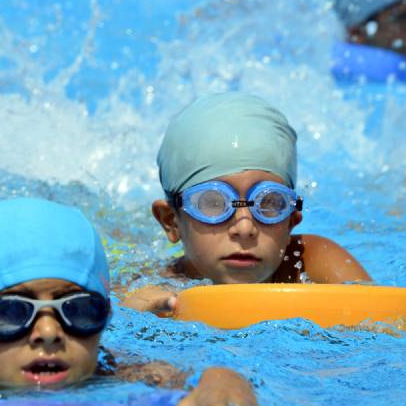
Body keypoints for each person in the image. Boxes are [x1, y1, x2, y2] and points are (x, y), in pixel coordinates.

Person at [0, 198, 265, 406]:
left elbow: (198, 380)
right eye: (9, 313)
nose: (48, 333)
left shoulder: (120, 371)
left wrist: (224, 379)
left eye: (79, 310)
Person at [121, 93, 371, 314]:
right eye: (214, 202)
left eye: (268, 203)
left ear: (290, 222)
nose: (244, 228)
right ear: (171, 221)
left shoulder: (308, 261)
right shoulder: (149, 295)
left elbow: (386, 320)